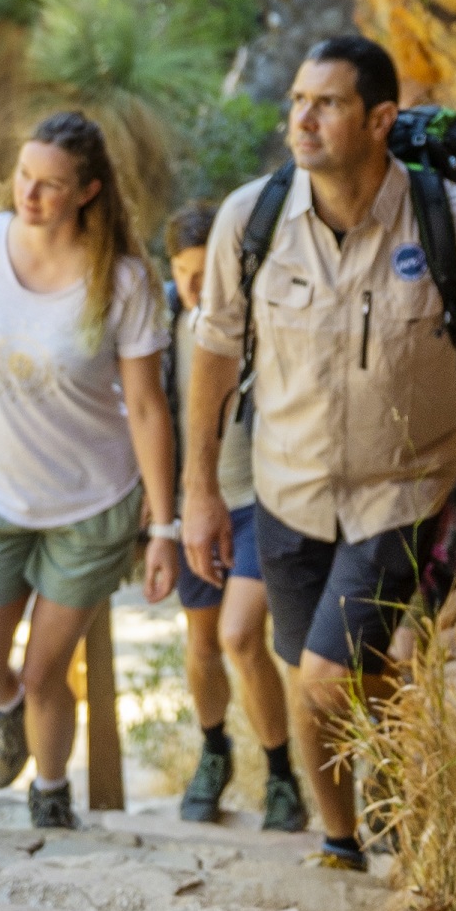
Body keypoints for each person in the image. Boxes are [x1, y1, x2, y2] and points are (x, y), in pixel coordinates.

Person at [184, 32, 456, 872]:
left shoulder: (447, 220)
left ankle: (388, 817)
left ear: (381, 118)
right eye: (298, 101)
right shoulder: (253, 218)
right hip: (286, 490)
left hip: (403, 489)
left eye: (327, 102)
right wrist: (199, 490)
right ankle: (348, 834)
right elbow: (212, 352)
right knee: (313, 677)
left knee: (321, 675)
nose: (303, 118)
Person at [0, 111, 178, 830]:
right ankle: (7, 713)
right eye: (24, 176)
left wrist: (165, 526)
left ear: (88, 191)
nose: (29, 194)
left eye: (50, 185)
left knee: (44, 669)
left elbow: (148, 407)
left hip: (92, 503)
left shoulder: (122, 280)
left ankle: (51, 795)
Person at [162, 204, 304, 832]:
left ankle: (279, 775)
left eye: (205, 273)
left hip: (260, 499)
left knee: (240, 636)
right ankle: (213, 752)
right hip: (195, 502)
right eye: (184, 275)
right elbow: (149, 413)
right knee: (201, 644)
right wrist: (161, 516)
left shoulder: (258, 312)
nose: (197, 288)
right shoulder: (164, 323)